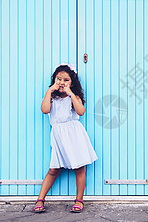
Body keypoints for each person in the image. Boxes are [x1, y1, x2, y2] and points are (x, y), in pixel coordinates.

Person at [34, 64, 97, 213]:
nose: (61, 82)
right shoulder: (52, 98)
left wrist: (71, 94)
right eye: (58, 79)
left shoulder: (74, 98)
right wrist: (49, 90)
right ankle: (40, 199)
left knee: (79, 167)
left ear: (72, 83)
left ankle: (79, 200)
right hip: (59, 137)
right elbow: (44, 110)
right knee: (54, 169)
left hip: (74, 136)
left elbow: (81, 111)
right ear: (54, 80)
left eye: (66, 80)